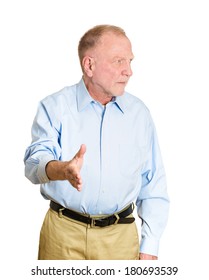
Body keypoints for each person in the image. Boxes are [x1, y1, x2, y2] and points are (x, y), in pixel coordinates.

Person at [24, 24, 169, 260]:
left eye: (130, 61)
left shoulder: (139, 114)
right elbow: (33, 164)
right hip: (62, 237)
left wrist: (150, 245)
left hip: (121, 240)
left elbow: (153, 181)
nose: (129, 71)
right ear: (89, 65)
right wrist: (62, 170)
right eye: (119, 61)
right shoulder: (54, 107)